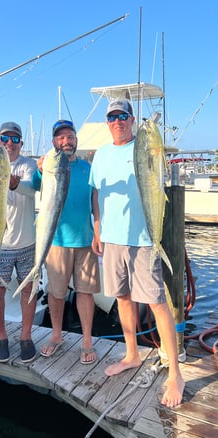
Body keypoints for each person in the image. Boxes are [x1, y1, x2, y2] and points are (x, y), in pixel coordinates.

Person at [89, 99, 185, 408]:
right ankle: (131, 354)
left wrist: (153, 134)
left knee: (157, 303)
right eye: (112, 116)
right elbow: (96, 192)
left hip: (144, 239)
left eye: (123, 116)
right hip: (113, 240)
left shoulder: (144, 147)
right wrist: (97, 228)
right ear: (108, 122)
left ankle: (175, 373)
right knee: (122, 298)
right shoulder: (101, 155)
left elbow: (159, 168)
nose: (117, 121)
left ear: (131, 120)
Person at [32, 120, 100, 364]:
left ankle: (87, 340)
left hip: (84, 240)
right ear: (53, 143)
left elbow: (95, 203)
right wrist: (40, 169)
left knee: (86, 292)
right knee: (56, 293)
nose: (66, 141)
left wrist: (97, 232)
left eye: (70, 136)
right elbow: (34, 186)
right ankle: (57, 335)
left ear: (76, 140)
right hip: (57, 241)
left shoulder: (88, 168)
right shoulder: (46, 167)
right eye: (60, 138)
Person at [0, 121, 37, 363]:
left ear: (21, 144)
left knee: (28, 289)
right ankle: (1, 337)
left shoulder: (28, 165)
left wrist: (15, 184)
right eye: (5, 138)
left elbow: (30, 188)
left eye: (15, 139)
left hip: (27, 244)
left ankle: (26, 336)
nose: (9, 143)